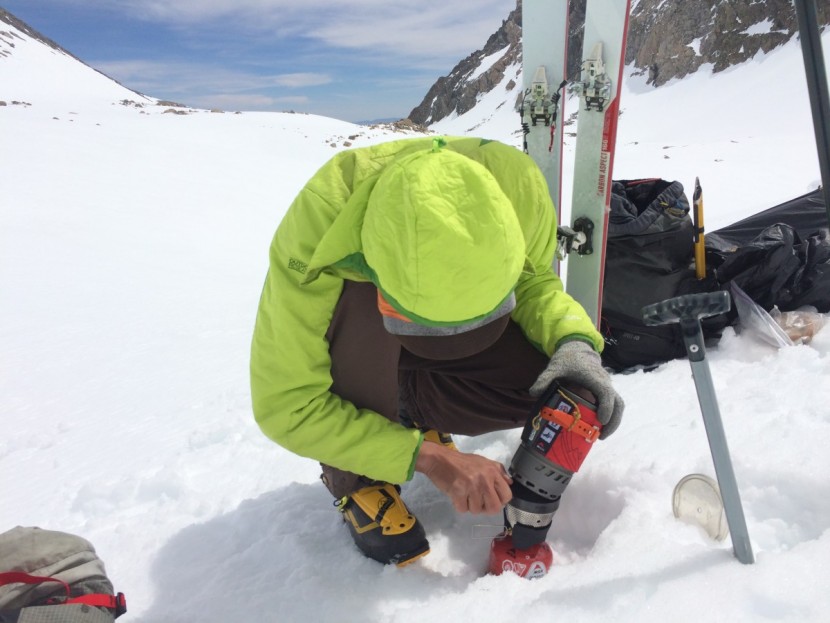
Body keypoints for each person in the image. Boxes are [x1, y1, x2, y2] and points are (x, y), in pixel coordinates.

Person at [250, 135, 624, 567]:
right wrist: (425, 457)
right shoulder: (321, 227)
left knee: (549, 384)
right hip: (364, 338)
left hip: (418, 361)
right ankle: (358, 474)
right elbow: (287, 404)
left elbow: (535, 282)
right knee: (345, 305)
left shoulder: (517, 188)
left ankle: (408, 414)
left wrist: (574, 343)